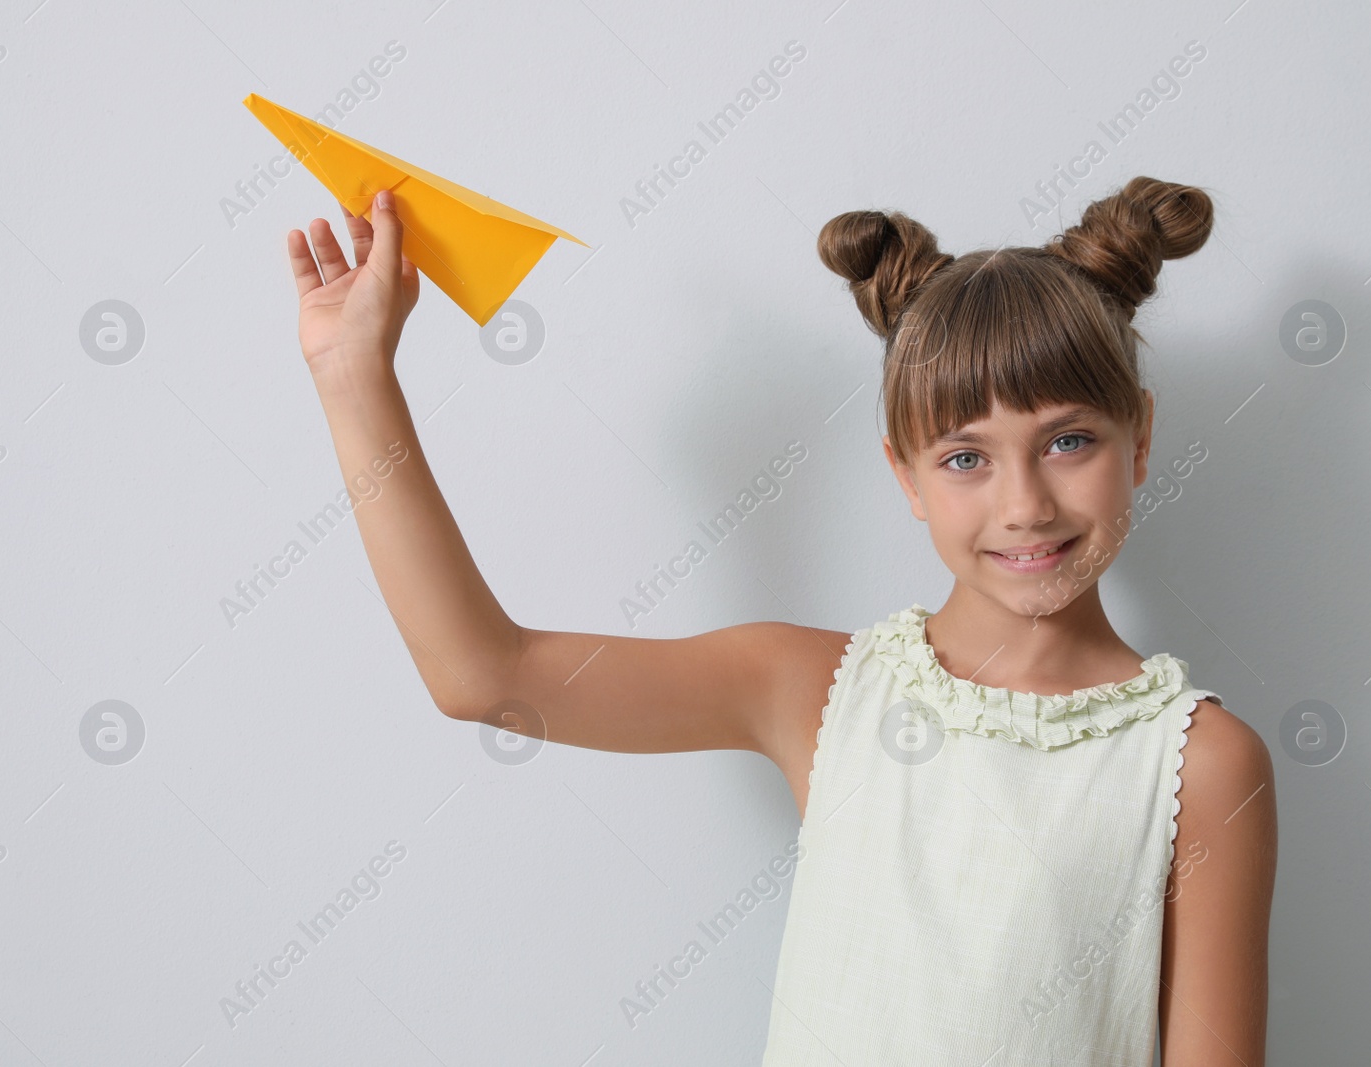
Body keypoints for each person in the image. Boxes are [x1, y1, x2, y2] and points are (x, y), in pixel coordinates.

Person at [282, 175, 1277, 1065]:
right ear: (905, 474)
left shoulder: (1198, 762)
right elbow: (483, 675)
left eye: (1066, 441)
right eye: (965, 456)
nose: (1024, 503)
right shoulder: (812, 689)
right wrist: (352, 373)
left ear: (1139, 438)